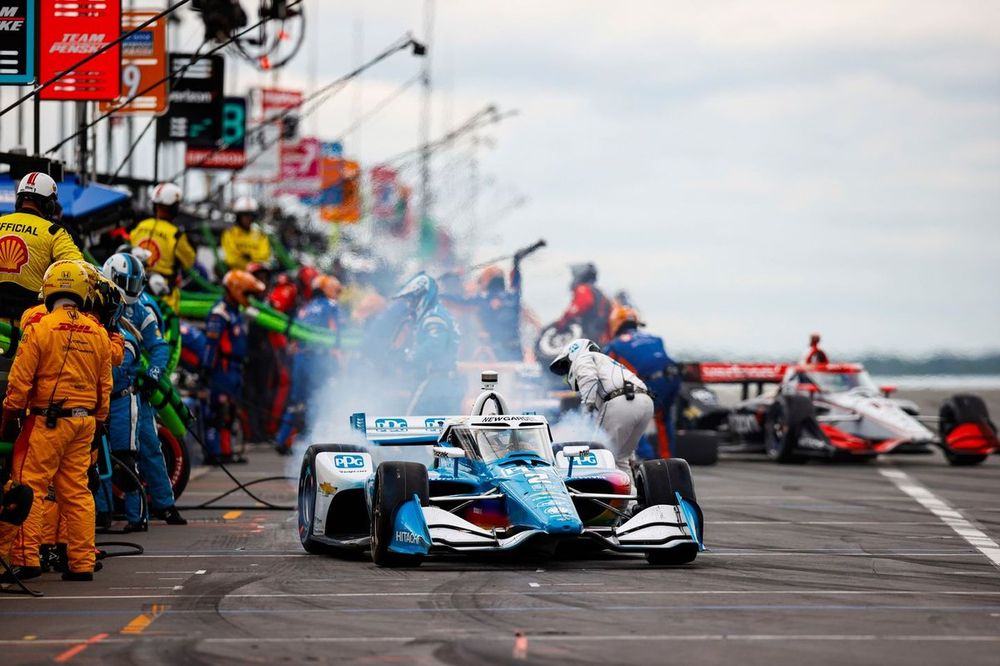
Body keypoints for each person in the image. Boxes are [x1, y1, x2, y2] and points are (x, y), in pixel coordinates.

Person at [0, 260, 112, 582]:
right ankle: (81, 564)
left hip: (46, 423)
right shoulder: (98, 333)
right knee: (77, 493)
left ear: (48, 290)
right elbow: (105, 386)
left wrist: (10, 415)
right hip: (85, 423)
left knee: (29, 486)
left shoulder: (39, 328)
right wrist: (99, 421)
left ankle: (26, 559)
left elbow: (19, 383)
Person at [102, 252, 185, 530]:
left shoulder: (142, 309)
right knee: (96, 455)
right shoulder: (95, 301)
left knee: (148, 448)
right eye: (129, 282)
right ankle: (102, 513)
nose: (134, 288)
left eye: (137, 282)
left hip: (131, 392)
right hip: (98, 395)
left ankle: (164, 504)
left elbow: (159, 347)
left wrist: (153, 374)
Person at [549, 338, 654, 483]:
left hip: (621, 402)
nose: (567, 372)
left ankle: (614, 501)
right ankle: (631, 502)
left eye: (566, 365)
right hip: (645, 402)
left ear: (573, 354)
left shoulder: (583, 358)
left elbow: (588, 377)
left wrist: (587, 408)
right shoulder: (606, 362)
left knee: (601, 455)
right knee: (621, 458)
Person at [0, 172, 82, 322]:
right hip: (31, 321)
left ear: (19, 200)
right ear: (49, 205)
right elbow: (79, 268)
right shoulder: (54, 232)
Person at [201, 270, 264, 464]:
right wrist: (206, 368)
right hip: (222, 369)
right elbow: (211, 345)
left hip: (235, 369)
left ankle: (226, 452)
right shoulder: (220, 313)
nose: (249, 298)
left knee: (229, 413)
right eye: (247, 293)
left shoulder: (236, 312)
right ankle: (213, 453)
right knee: (217, 412)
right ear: (237, 290)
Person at [274, 275, 342, 454]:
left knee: (296, 401)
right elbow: (336, 334)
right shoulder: (331, 306)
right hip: (318, 359)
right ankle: (311, 443)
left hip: (300, 358)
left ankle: (282, 439)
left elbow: (294, 337)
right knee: (317, 399)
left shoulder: (306, 307)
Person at [604, 305, 680, 459]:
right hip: (674, 378)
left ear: (615, 324)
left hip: (651, 382)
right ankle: (667, 461)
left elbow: (606, 373)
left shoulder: (615, 346)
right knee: (663, 419)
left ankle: (647, 459)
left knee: (633, 418)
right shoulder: (655, 338)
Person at [393, 273, 461, 414]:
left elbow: (434, 345)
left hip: (435, 382)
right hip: (441, 382)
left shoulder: (433, 316)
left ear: (421, 297)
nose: (410, 305)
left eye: (412, 300)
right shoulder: (436, 313)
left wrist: (408, 357)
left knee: (412, 424)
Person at [129, 182, 195, 313]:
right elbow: (190, 261)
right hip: (163, 297)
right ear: (174, 208)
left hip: (135, 292)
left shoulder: (140, 226)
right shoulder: (176, 234)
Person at [442, 260, 524, 362]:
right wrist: (517, 264)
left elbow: (455, 300)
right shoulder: (513, 297)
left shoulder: (481, 300)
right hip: (515, 351)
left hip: (494, 354)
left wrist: (450, 279)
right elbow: (516, 282)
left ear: (486, 281)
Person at [554, 263, 614, 345]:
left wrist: (564, 320)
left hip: (590, 334)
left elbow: (579, 307)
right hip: (601, 336)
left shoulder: (583, 289)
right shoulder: (599, 293)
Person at [220, 197, 272, 271]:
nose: (248, 218)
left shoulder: (260, 235)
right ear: (239, 217)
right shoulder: (230, 233)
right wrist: (253, 259)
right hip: (236, 273)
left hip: (257, 273)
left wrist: (247, 256)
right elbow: (232, 259)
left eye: (251, 215)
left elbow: (264, 256)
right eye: (245, 215)